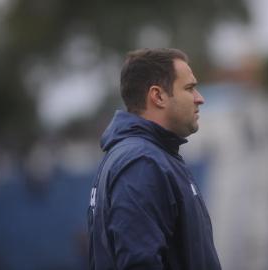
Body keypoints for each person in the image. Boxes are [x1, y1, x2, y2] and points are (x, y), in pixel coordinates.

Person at [87, 48, 221, 270]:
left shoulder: (151, 156)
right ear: (158, 96)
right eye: (189, 88)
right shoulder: (141, 163)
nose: (200, 99)